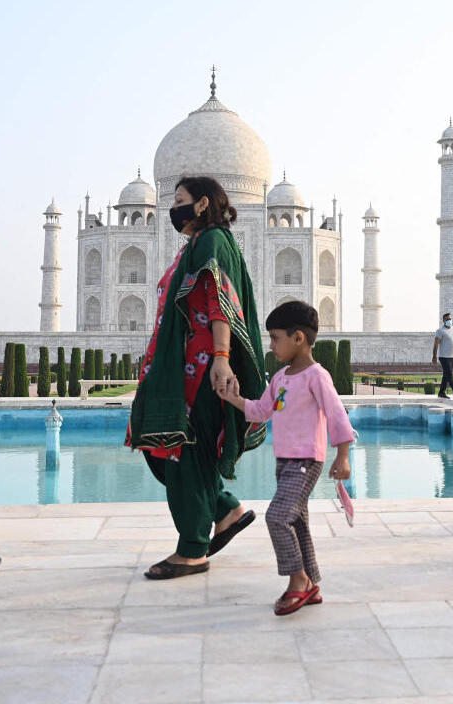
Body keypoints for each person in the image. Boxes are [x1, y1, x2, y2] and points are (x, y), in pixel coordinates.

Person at [126, 176, 267, 580]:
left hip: (201, 367)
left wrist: (221, 359)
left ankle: (192, 551)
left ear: (203, 204)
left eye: (181, 200)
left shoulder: (212, 242)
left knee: (182, 449)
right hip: (186, 365)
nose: (174, 209)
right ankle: (225, 510)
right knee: (169, 449)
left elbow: (219, 301)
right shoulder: (198, 244)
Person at [218, 301, 354, 615]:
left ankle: (298, 581)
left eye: (275, 338)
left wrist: (343, 455)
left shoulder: (316, 377)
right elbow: (260, 411)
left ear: (298, 339)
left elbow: (337, 416)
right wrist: (233, 398)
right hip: (285, 462)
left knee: (277, 516)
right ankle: (311, 582)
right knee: (297, 521)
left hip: (307, 461)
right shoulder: (280, 378)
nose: (271, 345)